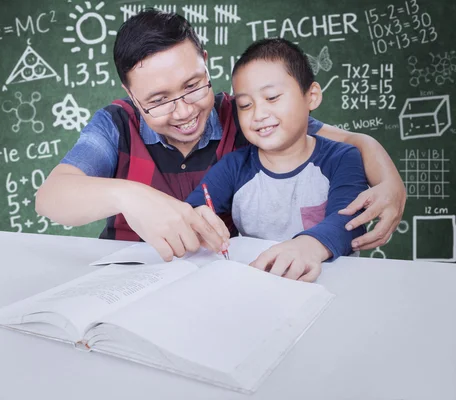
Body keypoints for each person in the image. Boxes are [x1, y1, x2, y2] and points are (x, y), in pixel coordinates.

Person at [35, 9, 406, 262]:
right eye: (158, 100)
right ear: (132, 96)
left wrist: (391, 183)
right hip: (132, 272)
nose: (184, 111)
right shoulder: (115, 124)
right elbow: (51, 198)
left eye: (194, 86)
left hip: (224, 277)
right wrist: (130, 195)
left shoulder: (246, 115)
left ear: (206, 63)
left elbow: (353, 142)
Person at [186, 38, 367, 282]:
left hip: (330, 283)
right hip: (260, 284)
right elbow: (193, 209)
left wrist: (307, 247)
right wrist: (197, 219)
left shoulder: (343, 158)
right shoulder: (233, 166)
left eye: (272, 98)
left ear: (311, 96)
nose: (258, 114)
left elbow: (350, 221)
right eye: (245, 105)